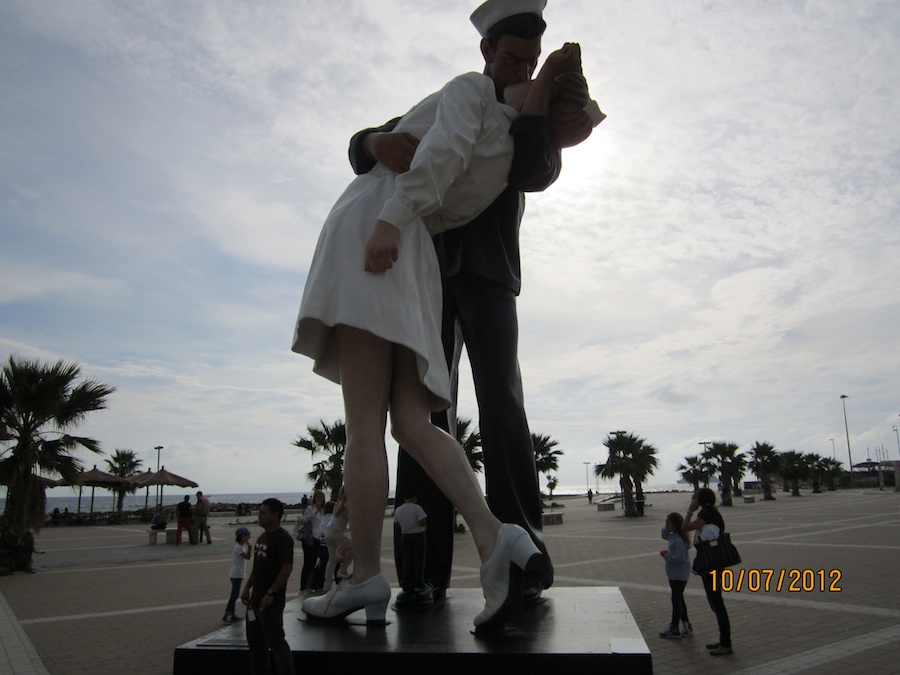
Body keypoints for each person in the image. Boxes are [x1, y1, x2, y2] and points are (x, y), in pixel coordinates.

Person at [293, 1, 584, 631]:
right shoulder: (474, 97)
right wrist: (374, 143)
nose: (522, 70)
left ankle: (378, 573)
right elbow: (381, 143)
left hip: (410, 244)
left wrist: (393, 221)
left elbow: (483, 157)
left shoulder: (508, 124)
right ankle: (473, 550)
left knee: (402, 418)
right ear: (488, 54)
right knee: (416, 420)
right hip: (420, 257)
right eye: (513, 59)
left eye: (531, 66)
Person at [241, 498, 295, 675]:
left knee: (276, 642)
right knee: (256, 645)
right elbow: (257, 567)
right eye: (260, 512)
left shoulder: (283, 538)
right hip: (255, 601)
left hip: (270, 602)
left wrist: (272, 592)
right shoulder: (262, 537)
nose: (260, 515)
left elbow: (286, 568)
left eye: (263, 512)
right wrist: (247, 587)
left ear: (275, 515)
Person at [684, 487, 732, 656]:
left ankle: (726, 643)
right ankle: (723, 640)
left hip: (711, 564)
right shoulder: (713, 512)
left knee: (716, 603)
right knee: (716, 602)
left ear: (700, 500)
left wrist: (690, 510)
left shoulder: (705, 513)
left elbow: (685, 527)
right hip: (714, 563)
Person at [658, 512, 692, 639]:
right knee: (679, 598)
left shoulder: (679, 540)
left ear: (675, 525)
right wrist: (667, 526)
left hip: (679, 574)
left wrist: (666, 555)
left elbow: (679, 558)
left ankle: (675, 627)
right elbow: (663, 534)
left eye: (668, 523)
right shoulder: (673, 535)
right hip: (673, 573)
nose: (666, 526)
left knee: (676, 599)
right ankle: (686, 624)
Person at [393, 487, 429, 602]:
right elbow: (422, 521)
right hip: (417, 535)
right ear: (414, 497)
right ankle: (419, 584)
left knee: (407, 561)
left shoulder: (399, 510)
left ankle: (407, 584)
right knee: (419, 560)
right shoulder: (417, 508)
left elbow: (397, 524)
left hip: (405, 536)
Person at [295, 489, 326, 596]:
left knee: (315, 562)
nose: (319, 500)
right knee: (308, 562)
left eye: (321, 498)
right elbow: (304, 520)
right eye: (317, 497)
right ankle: (303, 587)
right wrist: (314, 510)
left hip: (319, 538)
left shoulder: (323, 510)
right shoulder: (310, 508)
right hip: (310, 539)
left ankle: (311, 584)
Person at [322, 488, 352, 592]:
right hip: (334, 532)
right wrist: (344, 501)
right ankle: (342, 570)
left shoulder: (338, 504)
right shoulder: (342, 504)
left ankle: (327, 586)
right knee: (353, 547)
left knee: (332, 560)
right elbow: (337, 514)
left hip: (329, 531)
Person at [224, 526, 252, 623]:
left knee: (235, 595)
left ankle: (232, 613)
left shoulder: (240, 547)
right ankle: (227, 614)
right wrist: (250, 547)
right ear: (241, 536)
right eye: (246, 535)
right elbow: (247, 557)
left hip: (238, 574)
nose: (248, 537)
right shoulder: (238, 548)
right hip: (236, 574)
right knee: (234, 595)